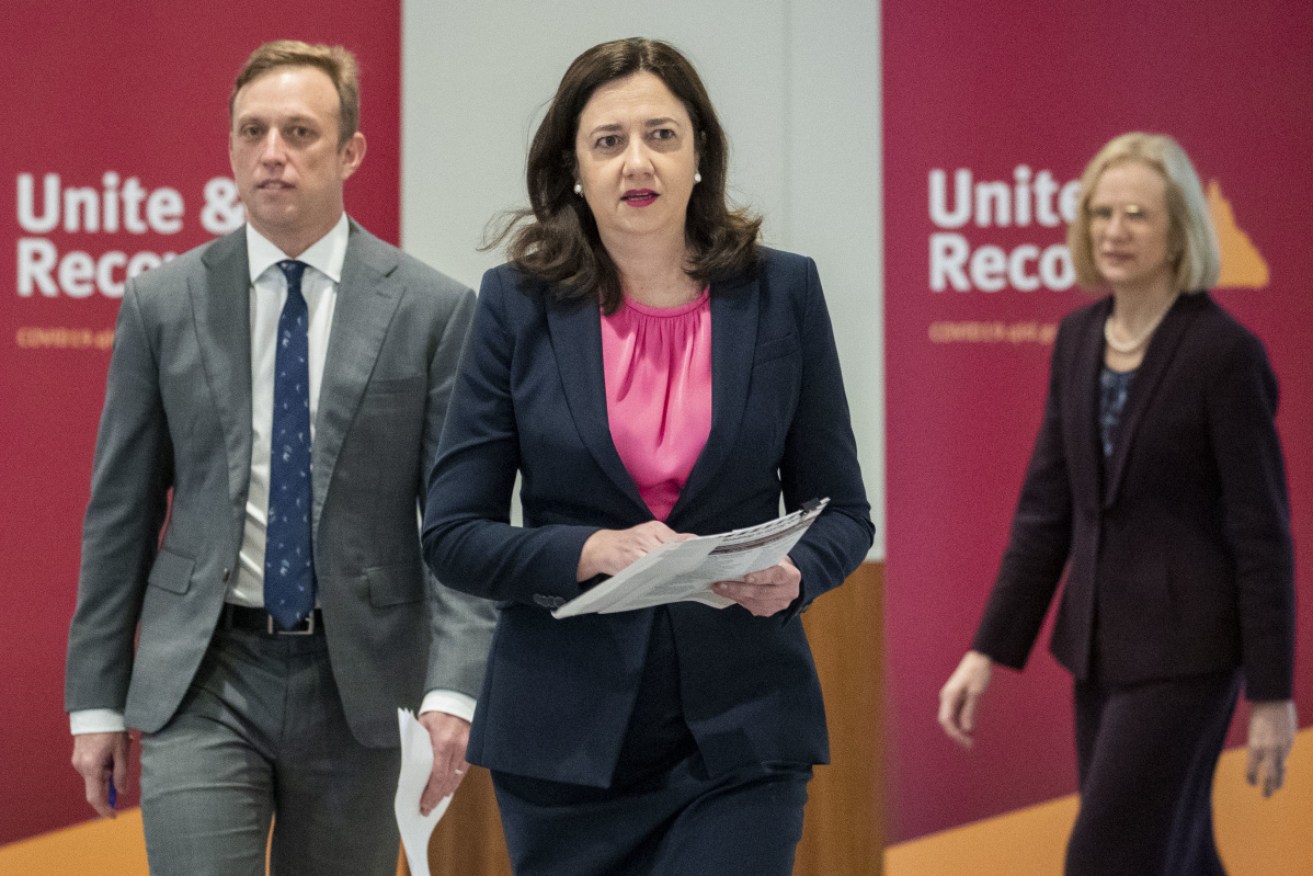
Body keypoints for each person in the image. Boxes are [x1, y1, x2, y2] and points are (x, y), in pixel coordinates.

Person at [421, 36, 873, 876]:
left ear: (700, 152)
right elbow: (453, 533)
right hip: (565, 741)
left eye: (663, 135)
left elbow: (844, 512)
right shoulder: (515, 306)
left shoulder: (783, 294)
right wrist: (594, 550)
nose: (639, 161)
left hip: (741, 728)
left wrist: (797, 573)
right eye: (608, 141)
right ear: (573, 167)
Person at [64, 40, 496, 875]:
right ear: (230, 147)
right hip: (205, 674)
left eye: (299, 132)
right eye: (252, 131)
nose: (272, 154)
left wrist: (452, 689)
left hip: (363, 683)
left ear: (349, 152)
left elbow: (458, 524)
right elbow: (119, 514)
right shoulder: (164, 302)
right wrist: (93, 700)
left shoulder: (433, 311)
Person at [938, 132, 1297, 875]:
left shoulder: (1223, 354)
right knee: (1179, 854)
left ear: (1177, 233)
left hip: (1189, 657)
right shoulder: (1076, 338)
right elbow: (1045, 513)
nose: (1113, 231)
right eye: (1101, 213)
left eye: (1136, 214)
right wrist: (983, 653)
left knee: (1105, 857)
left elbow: (1262, 534)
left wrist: (1270, 694)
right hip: (1098, 648)